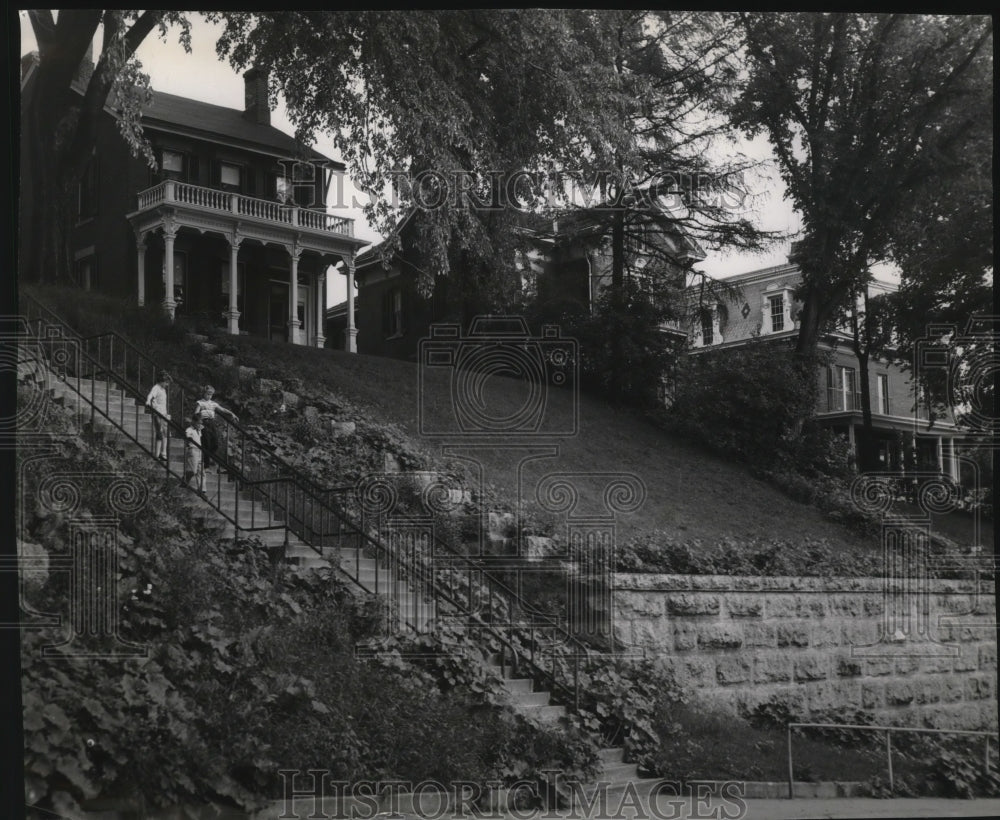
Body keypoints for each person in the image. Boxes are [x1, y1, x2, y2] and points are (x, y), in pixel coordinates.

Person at [194, 385, 238, 472]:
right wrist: (198, 423)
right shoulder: (200, 402)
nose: (209, 396)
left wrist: (232, 414)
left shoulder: (213, 404)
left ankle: (207, 457)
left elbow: (222, 410)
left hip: (211, 423)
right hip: (203, 423)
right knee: (206, 443)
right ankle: (206, 466)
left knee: (215, 444)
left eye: (211, 394)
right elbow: (195, 413)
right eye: (207, 394)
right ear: (204, 394)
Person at [145, 370, 171, 461]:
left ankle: (163, 453)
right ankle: (157, 454)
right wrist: (148, 401)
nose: (167, 385)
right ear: (162, 381)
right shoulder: (156, 387)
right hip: (157, 413)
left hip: (163, 414)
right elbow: (151, 395)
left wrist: (167, 413)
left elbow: (164, 403)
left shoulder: (163, 390)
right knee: (159, 433)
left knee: (165, 433)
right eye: (166, 383)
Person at [181, 412, 205, 495]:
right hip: (193, 450)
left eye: (201, 423)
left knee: (201, 471)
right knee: (193, 470)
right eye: (198, 423)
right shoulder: (189, 430)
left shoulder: (199, 430)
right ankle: (184, 480)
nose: (200, 425)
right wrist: (189, 439)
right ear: (194, 422)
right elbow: (188, 437)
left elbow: (201, 430)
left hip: (199, 450)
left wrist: (199, 428)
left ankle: (202, 489)